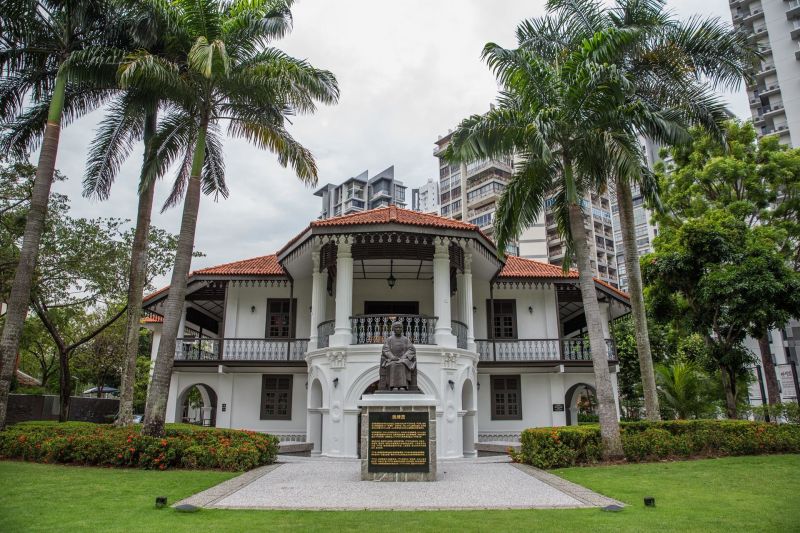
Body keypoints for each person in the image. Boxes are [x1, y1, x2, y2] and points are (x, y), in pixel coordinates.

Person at [380, 321, 417, 390]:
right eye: (396, 327)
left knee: (402, 364)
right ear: (393, 329)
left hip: (404, 359)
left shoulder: (406, 339)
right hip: (392, 360)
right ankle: (393, 386)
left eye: (400, 327)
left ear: (402, 329)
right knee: (394, 364)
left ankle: (403, 386)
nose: (398, 329)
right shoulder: (389, 339)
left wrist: (404, 356)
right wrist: (392, 357)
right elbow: (385, 349)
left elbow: (411, 349)